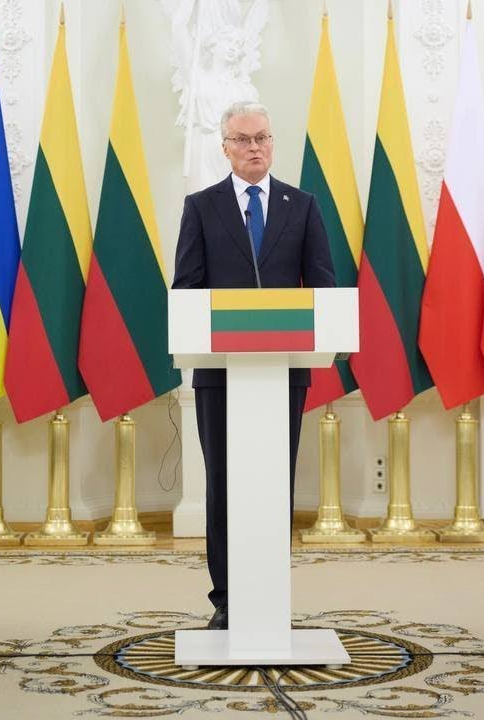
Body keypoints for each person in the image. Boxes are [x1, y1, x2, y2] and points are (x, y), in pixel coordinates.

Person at [171, 101, 335, 630]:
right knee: (223, 484)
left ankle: (268, 591)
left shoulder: (302, 205)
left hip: (284, 372)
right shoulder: (202, 207)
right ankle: (227, 598)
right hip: (220, 374)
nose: (254, 147)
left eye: (262, 137)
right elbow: (187, 288)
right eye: (242, 139)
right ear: (225, 148)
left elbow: (323, 286)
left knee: (273, 482)